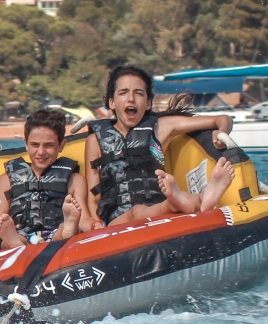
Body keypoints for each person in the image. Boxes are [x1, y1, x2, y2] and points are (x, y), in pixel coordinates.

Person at [85, 65, 236, 227]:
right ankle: (176, 204)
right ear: (112, 102)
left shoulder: (160, 128)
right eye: (123, 92)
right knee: (137, 211)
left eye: (139, 93)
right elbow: (93, 196)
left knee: (185, 198)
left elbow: (222, 118)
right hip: (117, 219)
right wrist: (96, 225)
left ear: (148, 103)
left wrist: (221, 131)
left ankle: (205, 198)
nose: (131, 99)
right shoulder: (95, 140)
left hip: (157, 207)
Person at [0, 108, 90, 248]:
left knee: (63, 229)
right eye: (34, 145)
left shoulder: (75, 180)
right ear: (26, 144)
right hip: (21, 233)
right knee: (11, 236)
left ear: (61, 145)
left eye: (49, 145)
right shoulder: (6, 180)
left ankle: (68, 230)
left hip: (55, 237)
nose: (41, 152)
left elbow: (84, 218)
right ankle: (12, 242)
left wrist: (97, 226)